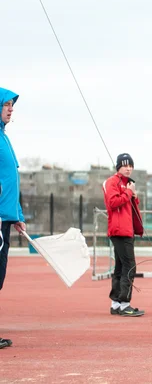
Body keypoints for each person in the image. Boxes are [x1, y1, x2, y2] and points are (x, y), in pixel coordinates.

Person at [102, 153, 145, 317]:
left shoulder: (129, 184)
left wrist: (133, 196)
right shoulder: (111, 182)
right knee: (130, 266)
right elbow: (112, 203)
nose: (128, 168)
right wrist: (128, 193)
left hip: (127, 230)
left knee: (120, 267)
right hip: (119, 230)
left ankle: (116, 304)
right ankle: (125, 303)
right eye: (125, 165)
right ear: (118, 166)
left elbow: (131, 208)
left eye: (131, 165)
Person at [0, 87, 26, 349]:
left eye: (11, 105)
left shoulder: (4, 138)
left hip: (5, 218)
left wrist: (16, 214)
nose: (11, 109)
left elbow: (10, 181)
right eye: (6, 104)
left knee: (0, 273)